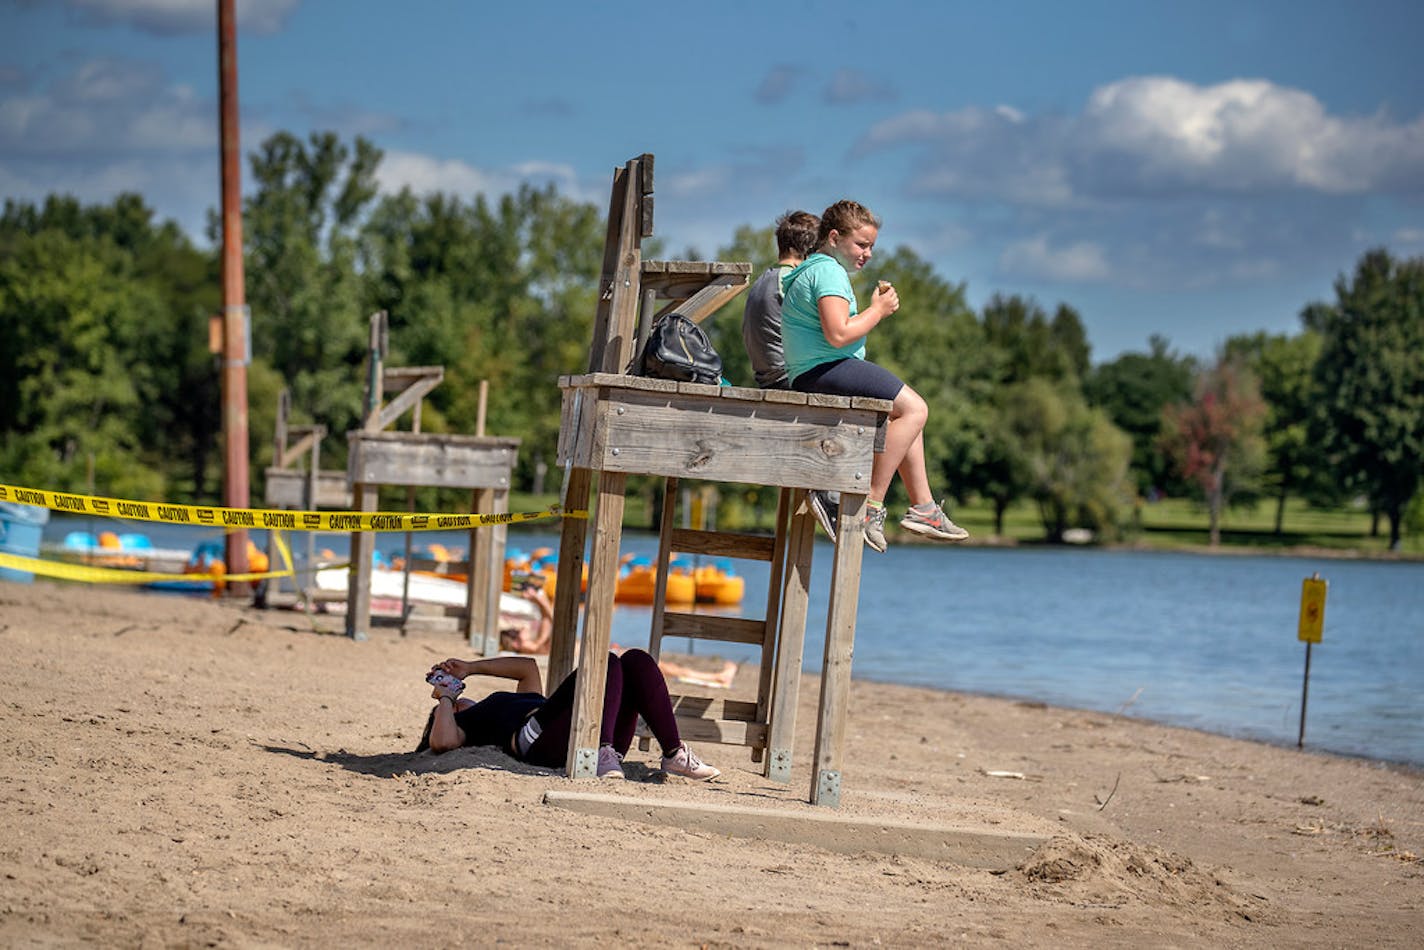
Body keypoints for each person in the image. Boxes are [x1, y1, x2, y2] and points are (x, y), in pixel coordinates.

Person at [780, 199, 970, 553]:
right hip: (824, 369)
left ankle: (924, 508)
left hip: (818, 369)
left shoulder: (816, 268)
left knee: (908, 416)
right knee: (915, 409)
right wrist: (878, 310)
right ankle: (871, 506)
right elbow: (838, 334)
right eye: (862, 244)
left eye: (872, 247)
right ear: (834, 237)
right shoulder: (828, 272)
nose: (867, 254)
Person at [417, 649, 720, 781]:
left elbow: (527, 668)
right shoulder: (467, 723)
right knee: (606, 662)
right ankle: (600, 752)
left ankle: (673, 753)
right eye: (458, 702)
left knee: (635, 660)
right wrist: (446, 697)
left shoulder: (512, 699)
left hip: (567, 725)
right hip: (534, 740)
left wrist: (470, 667)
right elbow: (442, 742)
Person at [740, 209, 840, 540]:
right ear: (811, 252)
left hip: (766, 376)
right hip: (788, 378)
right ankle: (829, 490)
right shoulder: (792, 282)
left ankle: (827, 489)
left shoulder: (764, 279)